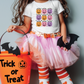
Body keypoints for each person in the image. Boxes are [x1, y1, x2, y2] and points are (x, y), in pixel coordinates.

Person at [7, 0, 80, 84]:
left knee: (60, 68)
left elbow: (62, 23)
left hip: (54, 42)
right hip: (37, 43)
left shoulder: (55, 3)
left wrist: (64, 40)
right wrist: (15, 27)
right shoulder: (30, 7)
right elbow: (26, 28)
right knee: (42, 68)